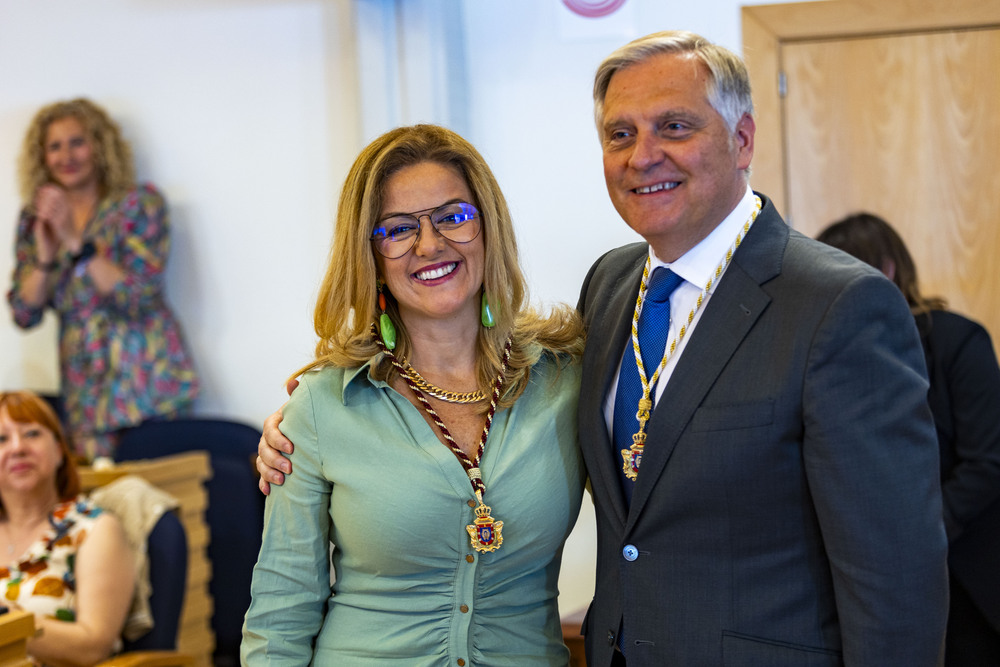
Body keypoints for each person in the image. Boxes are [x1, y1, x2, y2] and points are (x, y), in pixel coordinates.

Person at [258, 31, 949, 666]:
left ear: (742, 138)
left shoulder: (836, 306)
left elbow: (897, 578)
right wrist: (301, 419)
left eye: (674, 126)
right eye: (621, 133)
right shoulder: (612, 288)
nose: (643, 154)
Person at [240, 124, 586, 665]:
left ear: (488, 226)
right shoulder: (322, 406)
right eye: (397, 229)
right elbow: (282, 610)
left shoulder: (567, 381)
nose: (431, 244)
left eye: (453, 216)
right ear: (370, 254)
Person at [817, 212, 1000, 665]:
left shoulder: (958, 340)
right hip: (872, 578)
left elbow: (987, 462)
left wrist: (915, 536)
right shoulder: (830, 359)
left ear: (886, 270)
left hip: (968, 573)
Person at [7, 98, 199, 461]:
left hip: (150, 384)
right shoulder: (35, 218)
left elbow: (139, 295)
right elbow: (24, 312)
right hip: (86, 396)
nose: (67, 155)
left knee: (163, 496)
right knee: (104, 502)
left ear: (100, 146)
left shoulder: (139, 203)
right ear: (42, 156)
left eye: (77, 142)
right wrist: (46, 254)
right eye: (55, 146)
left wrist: (74, 241)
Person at [0, 390, 135, 666]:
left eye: (31, 434)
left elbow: (94, 645)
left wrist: (10, 626)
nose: (17, 447)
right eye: (1, 439)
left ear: (60, 450)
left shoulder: (94, 529)